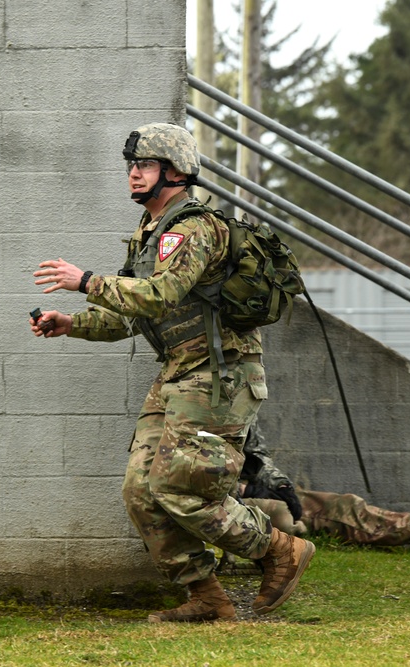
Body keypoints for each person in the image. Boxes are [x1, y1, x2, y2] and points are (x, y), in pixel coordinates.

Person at [30, 123, 315, 622]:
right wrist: (71, 323)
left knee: (180, 486)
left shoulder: (193, 228)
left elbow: (160, 294)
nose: (133, 174)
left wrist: (86, 282)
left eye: (144, 166)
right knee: (140, 492)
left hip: (219, 376)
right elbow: (136, 315)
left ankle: (278, 547)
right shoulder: (149, 234)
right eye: (132, 167)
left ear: (176, 172)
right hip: (180, 374)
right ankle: (205, 595)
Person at [240, 423, 410, 555]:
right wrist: (245, 492)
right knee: (292, 514)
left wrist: (279, 484)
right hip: (217, 497)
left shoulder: (236, 397)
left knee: (337, 505)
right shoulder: (204, 397)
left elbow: (256, 454)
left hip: (239, 488)